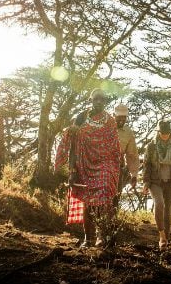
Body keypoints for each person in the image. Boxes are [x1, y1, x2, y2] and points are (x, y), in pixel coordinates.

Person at [55, 88, 121, 248]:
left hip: (106, 164)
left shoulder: (110, 121)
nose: (99, 102)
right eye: (96, 99)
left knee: (104, 195)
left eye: (102, 100)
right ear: (90, 100)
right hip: (83, 166)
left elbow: (115, 148)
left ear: (105, 102)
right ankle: (88, 238)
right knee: (88, 201)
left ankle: (102, 235)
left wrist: (117, 168)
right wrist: (72, 171)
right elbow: (72, 146)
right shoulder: (80, 118)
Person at [142, 119, 171, 251]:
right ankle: (161, 236)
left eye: (167, 133)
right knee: (159, 203)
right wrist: (145, 182)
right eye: (162, 133)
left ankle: (166, 237)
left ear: (170, 132)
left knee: (168, 210)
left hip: (170, 182)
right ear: (158, 132)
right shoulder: (151, 146)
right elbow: (146, 165)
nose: (165, 135)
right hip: (155, 182)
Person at [113, 104, 139, 211]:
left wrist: (134, 175)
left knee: (116, 195)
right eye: (119, 117)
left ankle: (111, 223)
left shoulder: (128, 132)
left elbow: (132, 154)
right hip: (100, 166)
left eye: (124, 117)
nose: (122, 119)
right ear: (114, 115)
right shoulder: (105, 127)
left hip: (117, 167)